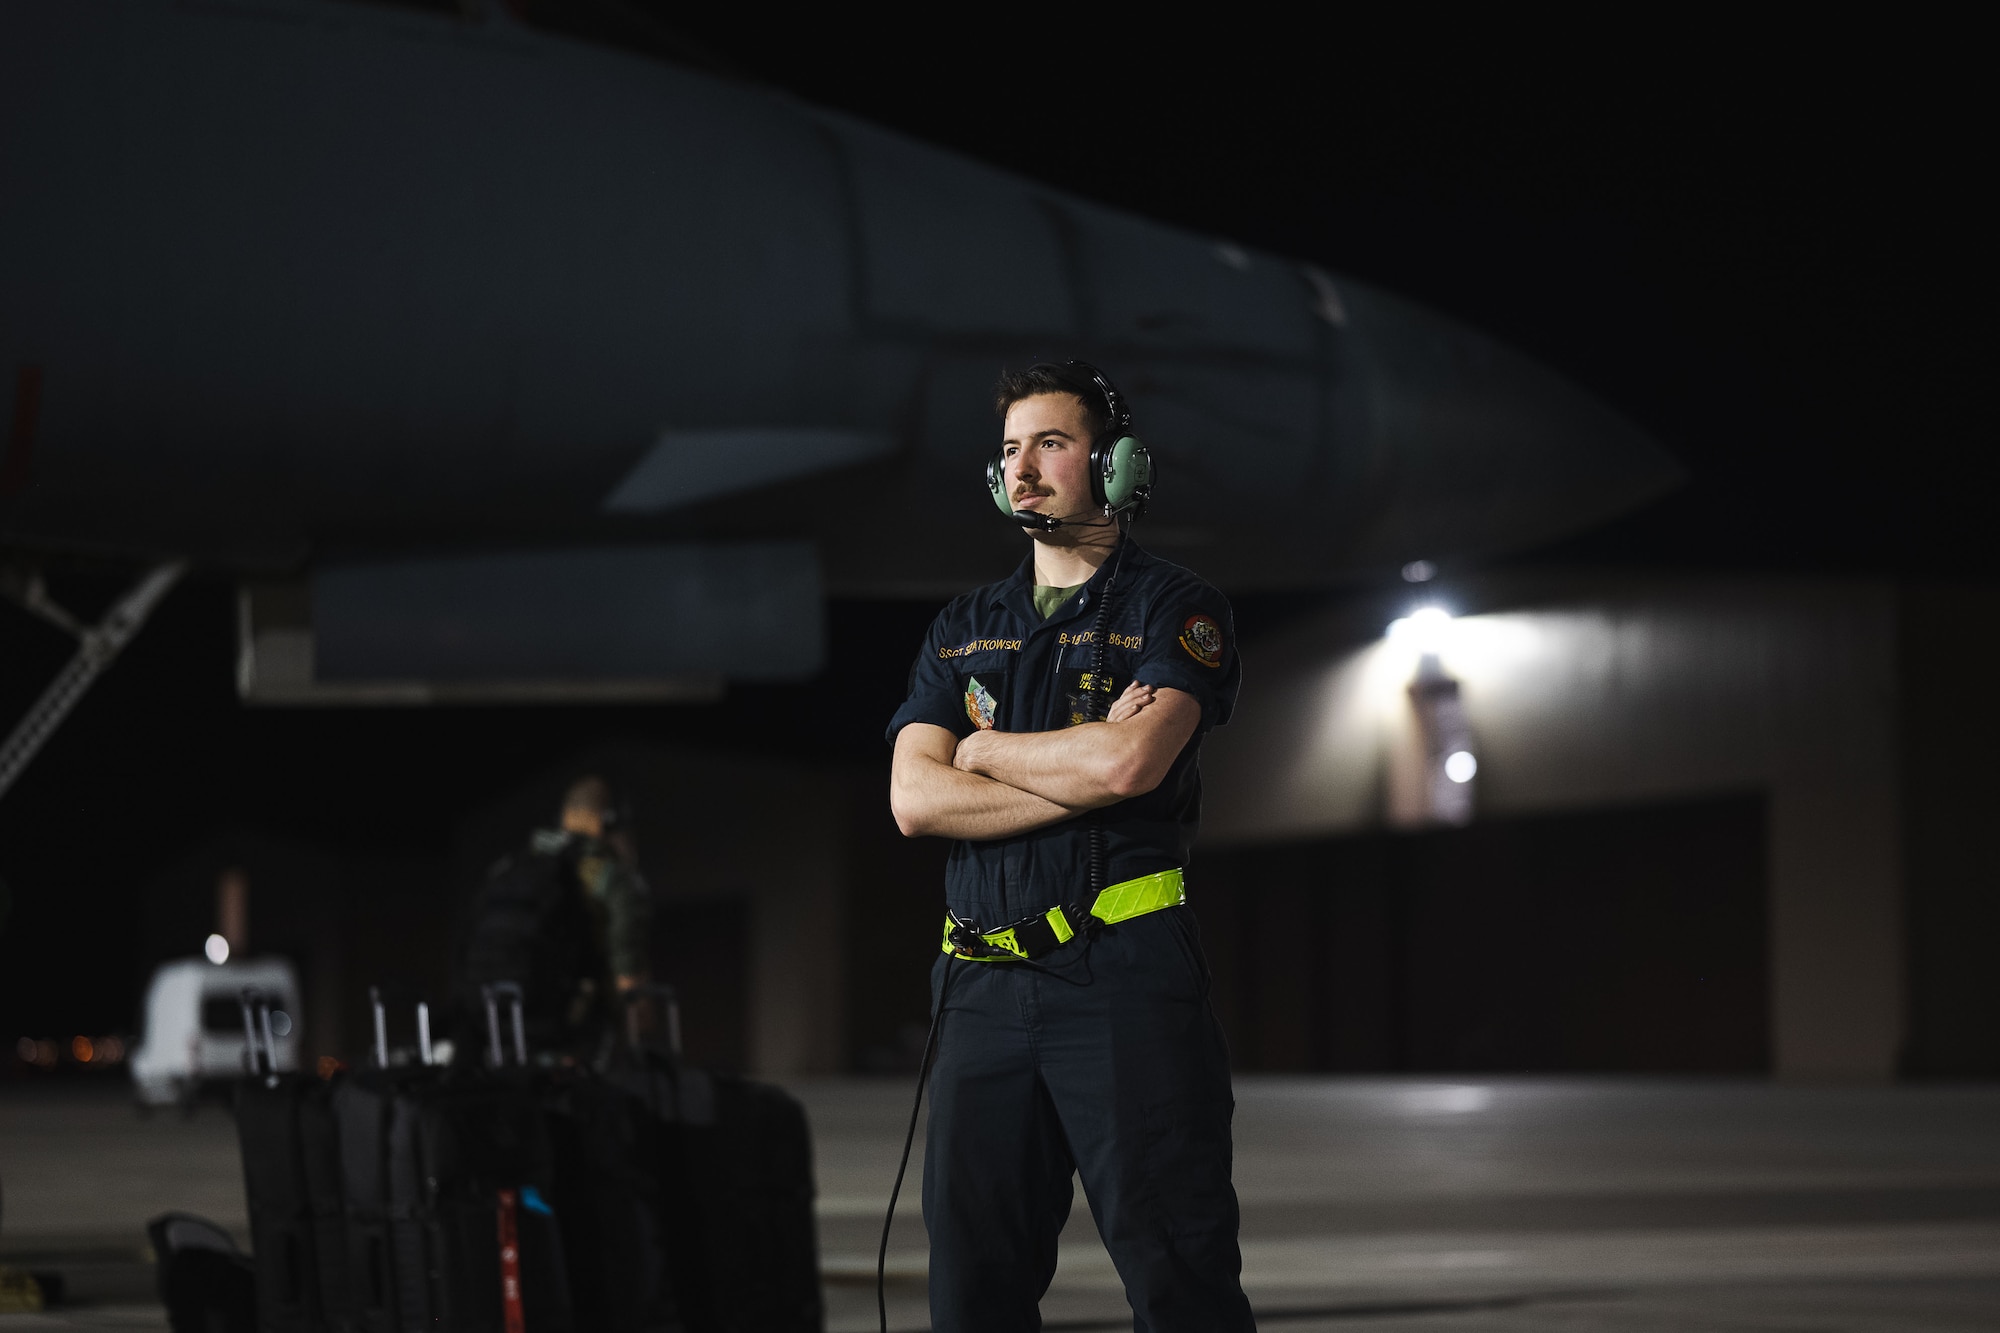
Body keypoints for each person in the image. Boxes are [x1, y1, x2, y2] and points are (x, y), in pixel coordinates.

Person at [886, 362, 1255, 1332]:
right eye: (1009, 448)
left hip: (1123, 980)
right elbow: (915, 801)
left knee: (1180, 1281)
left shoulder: (1174, 609)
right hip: (976, 992)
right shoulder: (961, 629)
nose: (1024, 466)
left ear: (1117, 466)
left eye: (1050, 442)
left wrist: (980, 750)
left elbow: (1130, 767)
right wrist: (1070, 772)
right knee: (970, 1294)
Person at [455, 775, 654, 1056]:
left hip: (491, 1031)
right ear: (604, 823)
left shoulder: (510, 867)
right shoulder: (611, 880)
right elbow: (630, 988)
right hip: (569, 1041)